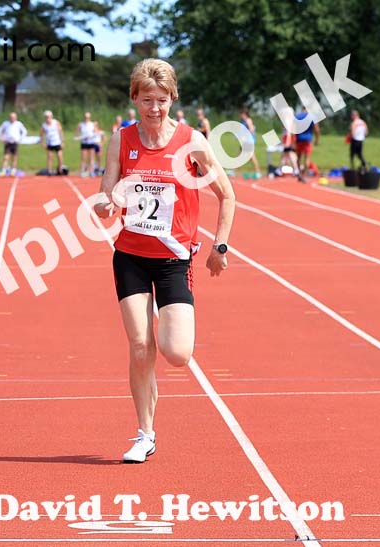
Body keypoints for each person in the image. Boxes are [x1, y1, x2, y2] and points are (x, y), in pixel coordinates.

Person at [93, 58, 235, 463]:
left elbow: (227, 195)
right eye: (146, 100)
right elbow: (106, 193)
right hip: (131, 256)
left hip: (174, 259)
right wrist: (108, 203)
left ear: (173, 98)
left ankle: (176, 317)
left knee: (177, 353)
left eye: (162, 100)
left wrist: (218, 246)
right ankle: (145, 433)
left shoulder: (191, 142)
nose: (154, 109)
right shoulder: (121, 140)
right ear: (134, 98)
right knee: (140, 346)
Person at [0, 112, 27, 176]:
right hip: (8, 142)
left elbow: (24, 131)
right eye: (11, 117)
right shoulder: (5, 123)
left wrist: (20, 139)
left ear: (16, 118)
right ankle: (4, 171)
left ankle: (13, 171)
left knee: (14, 157)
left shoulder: (19, 124)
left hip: (15, 142)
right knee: (6, 157)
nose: (12, 118)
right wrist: (2, 138)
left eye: (13, 117)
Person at [294, 106, 319, 177]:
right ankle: (305, 174)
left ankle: (299, 173)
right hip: (308, 139)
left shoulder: (297, 116)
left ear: (302, 109)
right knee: (307, 158)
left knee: (298, 157)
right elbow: (317, 130)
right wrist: (317, 140)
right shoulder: (312, 117)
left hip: (299, 139)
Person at [239, 108, 261, 178]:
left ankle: (258, 172)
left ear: (244, 114)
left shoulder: (248, 120)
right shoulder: (243, 121)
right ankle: (234, 170)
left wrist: (246, 136)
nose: (240, 115)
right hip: (245, 141)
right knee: (239, 155)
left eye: (241, 114)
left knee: (251, 156)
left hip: (248, 141)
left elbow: (251, 129)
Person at [77, 111, 101, 177]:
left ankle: (91, 171)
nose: (86, 118)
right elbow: (77, 133)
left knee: (91, 158)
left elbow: (96, 132)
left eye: (87, 117)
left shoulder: (92, 124)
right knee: (83, 158)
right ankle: (82, 171)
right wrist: (81, 137)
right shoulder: (81, 124)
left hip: (91, 142)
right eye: (85, 117)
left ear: (89, 118)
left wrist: (92, 135)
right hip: (84, 143)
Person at [40, 110, 64, 175]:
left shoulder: (56, 122)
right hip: (49, 143)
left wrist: (62, 141)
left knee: (60, 156)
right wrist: (42, 143)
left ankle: (60, 169)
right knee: (50, 157)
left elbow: (60, 132)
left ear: (51, 116)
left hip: (57, 142)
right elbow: (41, 134)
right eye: (46, 117)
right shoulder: (44, 125)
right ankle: (49, 171)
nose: (47, 118)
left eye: (48, 116)